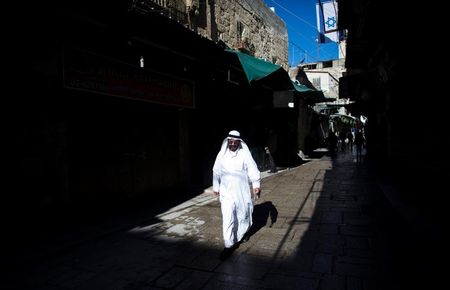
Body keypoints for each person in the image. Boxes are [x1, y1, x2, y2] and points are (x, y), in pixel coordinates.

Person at [212, 130, 261, 260]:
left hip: (242, 193)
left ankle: (243, 233)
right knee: (227, 218)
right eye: (230, 141)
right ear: (227, 141)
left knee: (243, 215)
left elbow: (253, 170)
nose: (232, 144)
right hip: (226, 193)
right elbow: (216, 172)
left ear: (239, 142)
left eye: (235, 142)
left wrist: (256, 185)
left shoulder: (245, 154)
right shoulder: (221, 155)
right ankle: (228, 245)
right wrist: (216, 187)